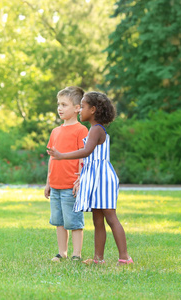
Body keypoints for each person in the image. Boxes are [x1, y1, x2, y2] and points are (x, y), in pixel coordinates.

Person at [47, 91, 133, 265]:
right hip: (94, 177)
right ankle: (98, 259)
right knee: (97, 219)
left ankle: (125, 258)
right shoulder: (94, 129)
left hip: (102, 178)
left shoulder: (96, 130)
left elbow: (86, 152)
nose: (80, 111)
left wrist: (62, 156)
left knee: (110, 217)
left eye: (83, 107)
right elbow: (88, 158)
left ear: (93, 110)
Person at [45, 86, 88, 262]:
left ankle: (76, 254)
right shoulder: (55, 131)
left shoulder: (81, 130)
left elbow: (82, 157)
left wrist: (80, 180)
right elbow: (51, 158)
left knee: (74, 222)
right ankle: (62, 252)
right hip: (55, 184)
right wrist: (48, 182)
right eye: (58, 104)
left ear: (77, 108)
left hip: (72, 185)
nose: (60, 108)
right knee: (59, 221)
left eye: (64, 104)